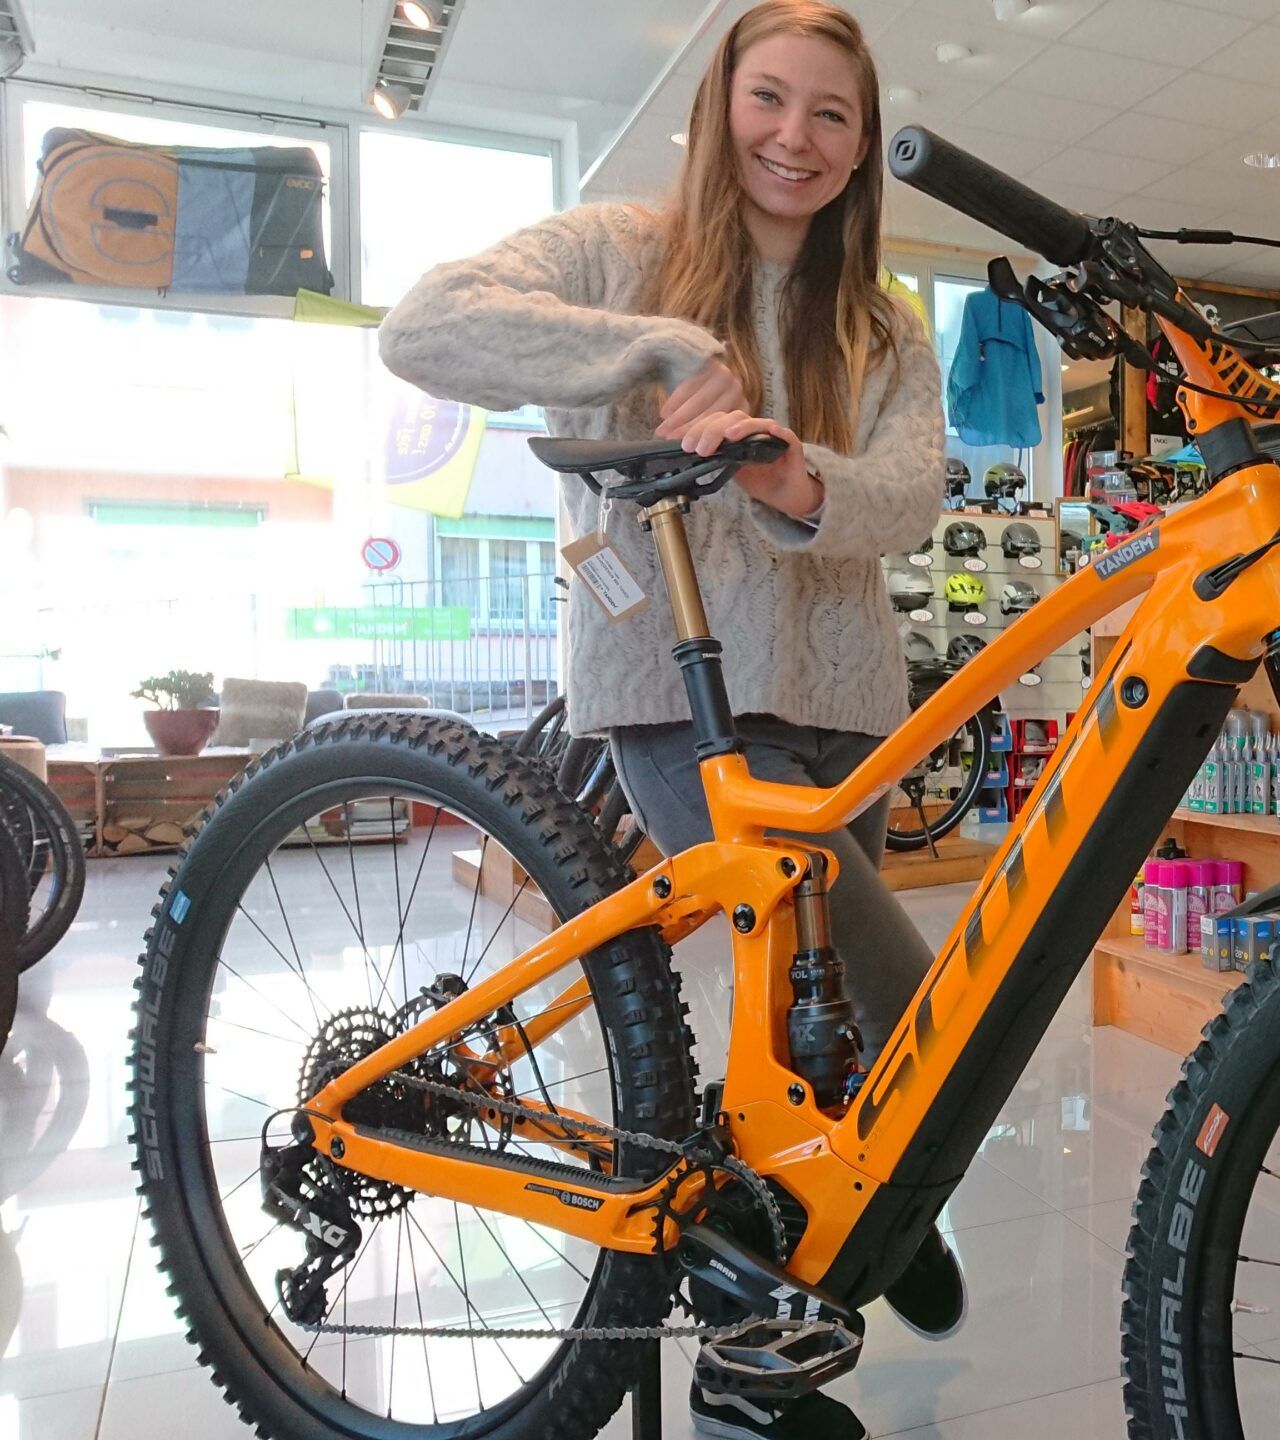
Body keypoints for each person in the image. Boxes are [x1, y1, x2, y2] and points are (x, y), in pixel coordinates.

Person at [379, 3, 950, 1435]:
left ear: (862, 146)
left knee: (814, 1037)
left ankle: (802, 1272)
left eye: (832, 114)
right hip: (674, 691)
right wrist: (646, 345)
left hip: (850, 706)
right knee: (913, 1011)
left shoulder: (883, 321)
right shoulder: (621, 249)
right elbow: (423, 327)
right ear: (717, 108)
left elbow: (911, 493)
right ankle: (824, 1276)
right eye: (770, 98)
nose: (795, 137)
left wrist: (790, 476)